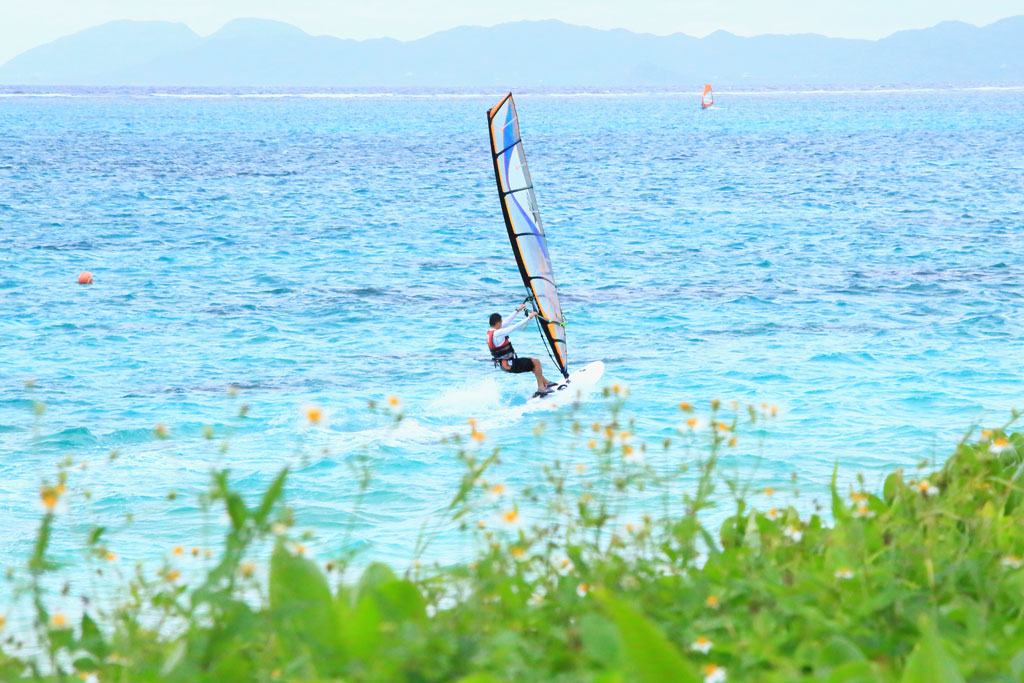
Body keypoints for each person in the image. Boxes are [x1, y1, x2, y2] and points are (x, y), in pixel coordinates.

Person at [487, 303, 558, 396]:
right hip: (510, 364)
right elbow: (514, 327)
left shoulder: (491, 333)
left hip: (504, 364)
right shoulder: (498, 333)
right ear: (498, 323)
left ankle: (546, 382)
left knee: (531, 361)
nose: (502, 323)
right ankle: (541, 388)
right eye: (501, 322)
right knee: (536, 362)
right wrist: (530, 317)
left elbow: (507, 322)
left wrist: (517, 310)